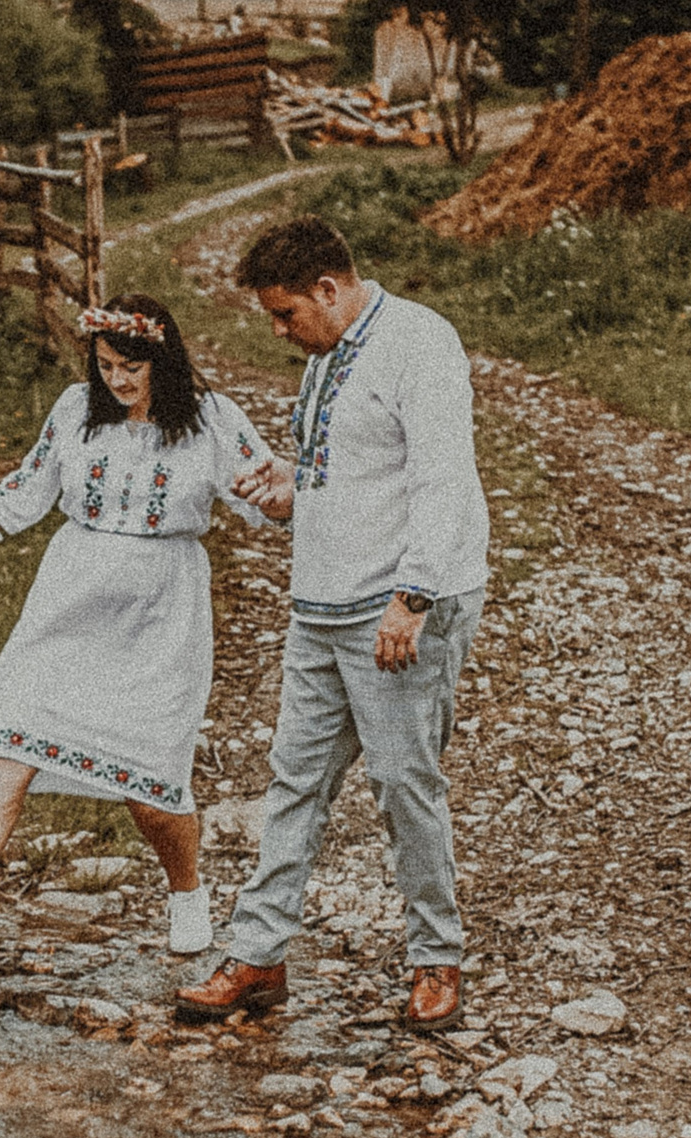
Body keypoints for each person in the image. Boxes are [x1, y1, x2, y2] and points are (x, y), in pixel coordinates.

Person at [0, 293, 276, 965]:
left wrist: (306, 495)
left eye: (131, 367)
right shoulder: (75, 411)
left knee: (151, 785)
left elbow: (269, 496)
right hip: (70, 600)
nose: (117, 381)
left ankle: (187, 889)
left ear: (163, 360)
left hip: (162, 610)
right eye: (105, 366)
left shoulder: (211, 422)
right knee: (9, 745)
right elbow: (28, 485)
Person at [176, 215, 490, 1030]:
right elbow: (341, 465)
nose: (281, 332)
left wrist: (413, 596)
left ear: (329, 287)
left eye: (286, 314)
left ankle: (437, 959)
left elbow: (443, 479)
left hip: (394, 608)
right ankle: (259, 953)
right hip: (318, 606)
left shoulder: (419, 344)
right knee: (294, 781)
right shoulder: (326, 357)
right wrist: (288, 486)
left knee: (402, 783)